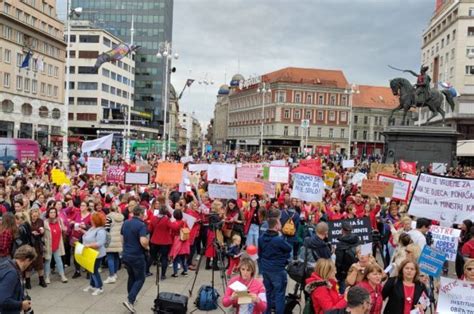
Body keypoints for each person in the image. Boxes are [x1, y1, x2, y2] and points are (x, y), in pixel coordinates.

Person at [258, 216, 291, 314]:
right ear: (276, 226)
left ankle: (267, 311)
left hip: (266, 269)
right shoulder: (278, 240)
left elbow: (260, 253)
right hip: (277, 270)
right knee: (279, 294)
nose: (281, 224)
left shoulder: (261, 237)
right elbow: (289, 248)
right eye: (280, 223)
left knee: (268, 292)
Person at [121, 206, 150, 313]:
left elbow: (122, 239)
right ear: (141, 214)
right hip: (137, 256)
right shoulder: (142, 225)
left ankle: (131, 298)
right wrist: (147, 245)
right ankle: (130, 300)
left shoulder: (126, 223)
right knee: (140, 278)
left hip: (126, 254)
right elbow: (143, 241)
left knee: (131, 277)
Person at [0, 245, 37, 314]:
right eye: (30, 262)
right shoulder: (12, 273)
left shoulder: (9, 265)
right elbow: (3, 300)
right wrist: (21, 304)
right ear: (27, 260)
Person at [81, 212, 107, 296]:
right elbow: (88, 235)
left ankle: (99, 287)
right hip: (90, 253)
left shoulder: (101, 231)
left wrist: (88, 245)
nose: (91, 220)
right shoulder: (93, 228)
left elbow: (100, 243)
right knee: (91, 269)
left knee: (94, 270)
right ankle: (92, 285)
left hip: (97, 254)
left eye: (92, 219)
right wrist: (81, 230)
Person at [43, 207, 68, 284]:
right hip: (48, 245)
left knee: (59, 261)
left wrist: (64, 229)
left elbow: (63, 228)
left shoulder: (59, 220)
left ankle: (62, 275)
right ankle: (47, 277)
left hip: (57, 244)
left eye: (54, 212)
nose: (53, 214)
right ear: (48, 213)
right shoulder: (45, 222)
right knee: (48, 261)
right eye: (51, 212)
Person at [148, 204, 173, 280]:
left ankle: (146, 271)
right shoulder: (166, 220)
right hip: (165, 242)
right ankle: (163, 275)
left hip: (154, 241)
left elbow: (149, 229)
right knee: (164, 258)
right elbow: (173, 227)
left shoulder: (154, 218)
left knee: (152, 256)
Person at [335, 221, 360, 292]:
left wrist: (338, 275)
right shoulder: (357, 240)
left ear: (342, 230)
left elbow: (338, 263)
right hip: (356, 270)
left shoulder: (340, 245)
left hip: (344, 274)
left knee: (344, 295)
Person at [103, 204, 124, 284]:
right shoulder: (121, 217)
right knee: (116, 257)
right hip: (118, 239)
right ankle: (115, 273)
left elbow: (107, 229)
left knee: (110, 257)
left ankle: (111, 276)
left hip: (111, 239)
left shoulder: (108, 217)